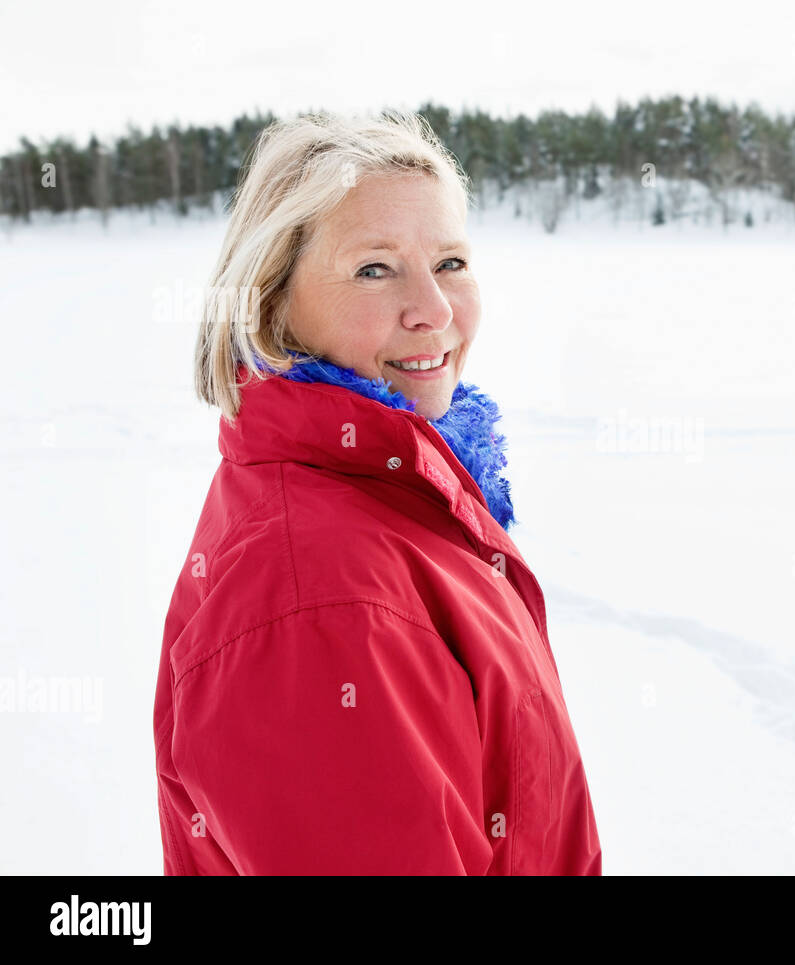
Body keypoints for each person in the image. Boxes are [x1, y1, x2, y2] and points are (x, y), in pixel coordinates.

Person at [152, 109, 601, 875]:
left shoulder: (397, 493)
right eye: (374, 267)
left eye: (451, 262)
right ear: (270, 305)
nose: (434, 309)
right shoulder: (317, 595)